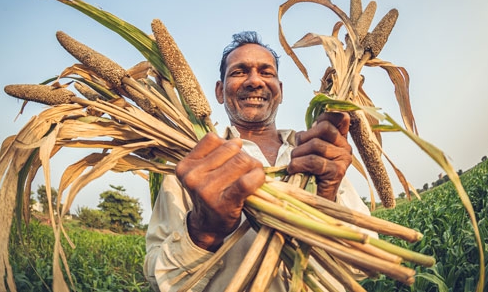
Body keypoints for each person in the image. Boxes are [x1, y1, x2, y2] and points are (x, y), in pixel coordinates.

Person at [144, 31, 372, 291]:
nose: (254, 81)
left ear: (280, 91)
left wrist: (326, 197)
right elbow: (159, 280)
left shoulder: (317, 154)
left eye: (266, 72)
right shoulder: (193, 167)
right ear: (220, 91)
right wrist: (204, 232)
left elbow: (362, 268)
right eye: (239, 72)